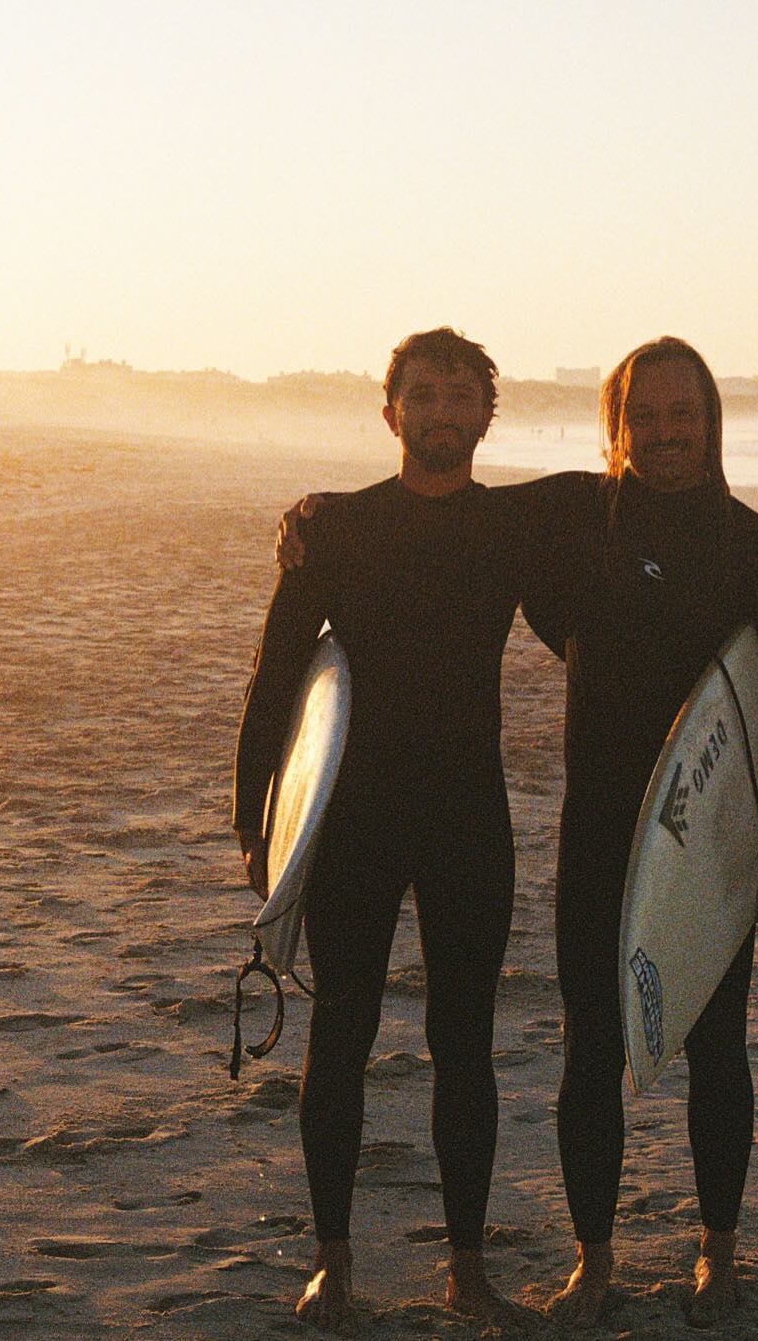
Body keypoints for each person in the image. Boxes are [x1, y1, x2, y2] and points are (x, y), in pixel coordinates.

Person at [275, 336, 758, 1328]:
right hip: (598, 829)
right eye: (645, 416)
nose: (665, 433)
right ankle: (593, 1260)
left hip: (710, 828)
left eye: (683, 415)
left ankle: (715, 1251)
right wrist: (314, 510)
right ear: (616, 424)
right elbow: (442, 506)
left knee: (717, 1043)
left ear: (711, 421)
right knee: (591, 1047)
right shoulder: (573, 511)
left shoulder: (753, 546)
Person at [235, 327, 546, 1331]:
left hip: (468, 816)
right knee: (342, 1032)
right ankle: (333, 1261)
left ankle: (467, 1269)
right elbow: (279, 674)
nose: (442, 410)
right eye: (423, 394)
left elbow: (610, 580)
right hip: (357, 817)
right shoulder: (339, 529)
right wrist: (259, 821)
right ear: (391, 412)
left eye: (461, 395)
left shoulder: (513, 530)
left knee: (466, 1045)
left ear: (487, 417)